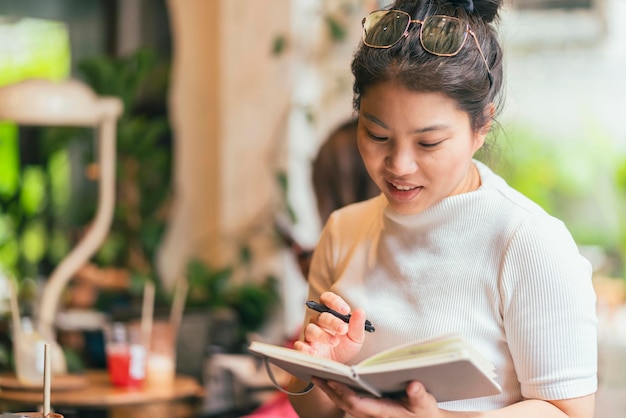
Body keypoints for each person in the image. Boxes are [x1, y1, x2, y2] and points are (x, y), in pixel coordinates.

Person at [287, 1, 598, 417]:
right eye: (377, 135)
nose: (399, 166)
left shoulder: (528, 241)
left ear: (481, 126)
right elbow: (313, 412)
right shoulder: (343, 231)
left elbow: (569, 412)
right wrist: (319, 367)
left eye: (428, 143)